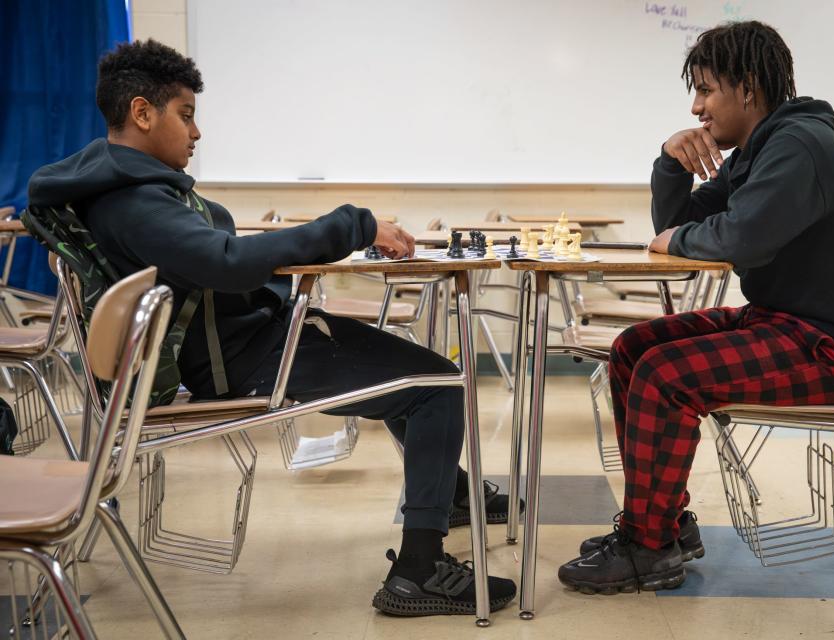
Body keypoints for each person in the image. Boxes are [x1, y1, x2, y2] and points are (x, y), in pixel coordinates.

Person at [28, 39, 518, 616]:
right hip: (244, 358)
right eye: (185, 115)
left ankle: (451, 493)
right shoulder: (133, 201)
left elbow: (220, 256)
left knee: (411, 372)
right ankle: (418, 571)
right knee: (437, 385)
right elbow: (226, 261)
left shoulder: (123, 187)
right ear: (141, 113)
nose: (196, 132)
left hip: (241, 341)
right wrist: (353, 224)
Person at [558, 21, 834, 594]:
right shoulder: (760, 150)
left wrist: (680, 239)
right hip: (789, 324)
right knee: (633, 348)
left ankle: (648, 548)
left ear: (747, 88)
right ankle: (664, 524)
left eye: (705, 90)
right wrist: (670, 161)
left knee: (665, 375)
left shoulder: (799, 146)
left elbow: (739, 238)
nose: (696, 107)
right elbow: (679, 227)